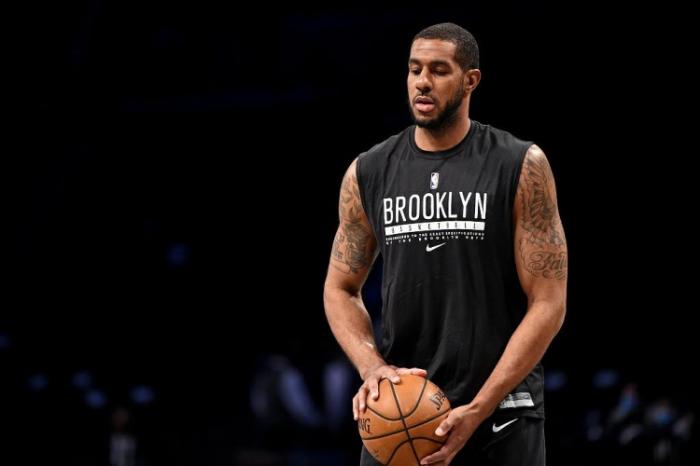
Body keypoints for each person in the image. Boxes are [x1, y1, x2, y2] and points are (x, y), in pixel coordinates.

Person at [323, 22, 568, 466]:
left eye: (438, 70)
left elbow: (549, 302)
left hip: (501, 412)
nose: (422, 81)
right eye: (414, 69)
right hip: (403, 410)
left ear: (470, 80)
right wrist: (372, 367)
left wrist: (479, 407)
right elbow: (340, 288)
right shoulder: (369, 171)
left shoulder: (519, 164)